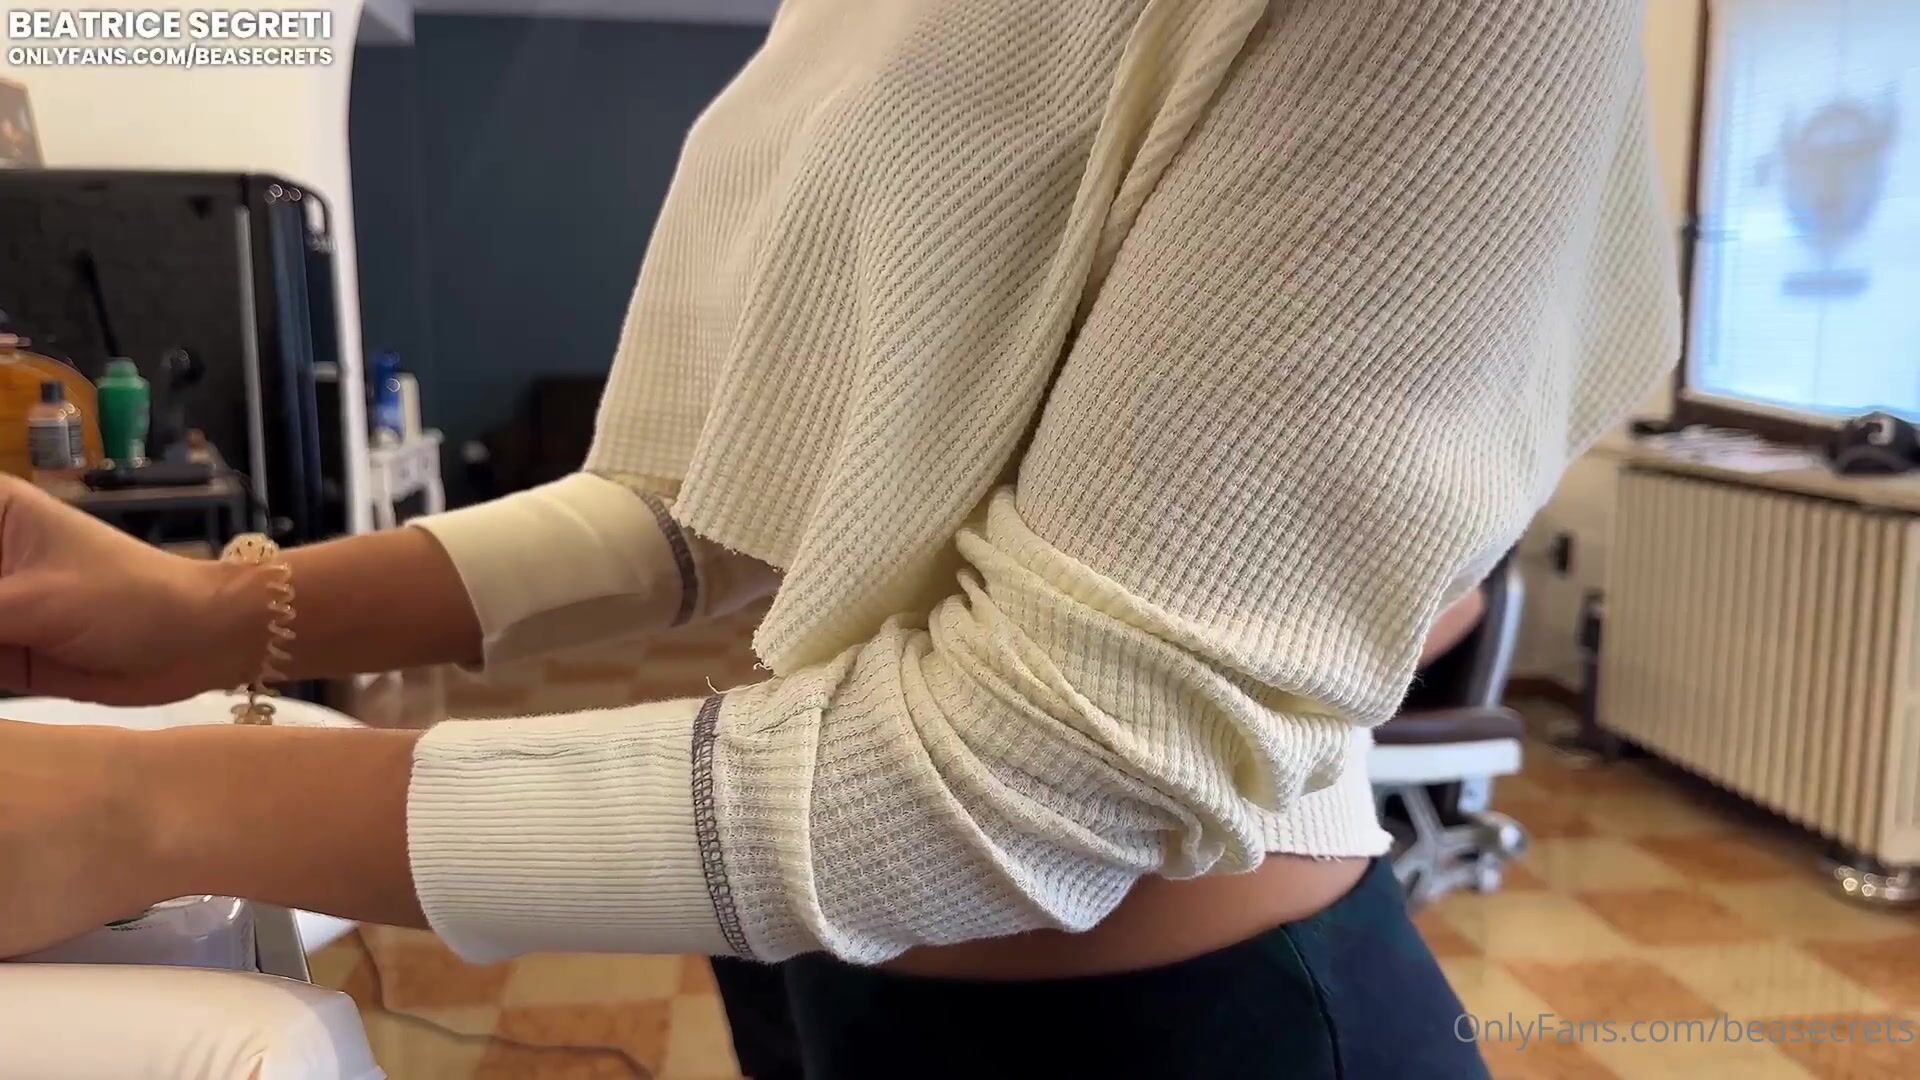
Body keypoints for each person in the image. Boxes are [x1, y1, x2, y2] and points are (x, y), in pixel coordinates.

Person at [0, 2, 1676, 1076]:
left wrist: (148, 806)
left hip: (1178, 1028)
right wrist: (211, 612)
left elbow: (1047, 765)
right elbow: (726, 492)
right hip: (817, 957)